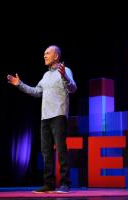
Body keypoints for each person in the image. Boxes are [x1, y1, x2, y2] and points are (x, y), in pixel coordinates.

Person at [7, 45, 77, 193]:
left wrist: (64, 76)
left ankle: (65, 183)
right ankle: (49, 184)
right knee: (46, 151)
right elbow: (37, 92)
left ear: (56, 56)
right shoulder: (45, 76)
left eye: (47, 53)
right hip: (45, 117)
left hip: (59, 114)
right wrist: (20, 84)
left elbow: (73, 88)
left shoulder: (65, 70)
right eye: (44, 53)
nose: (44, 56)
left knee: (61, 149)